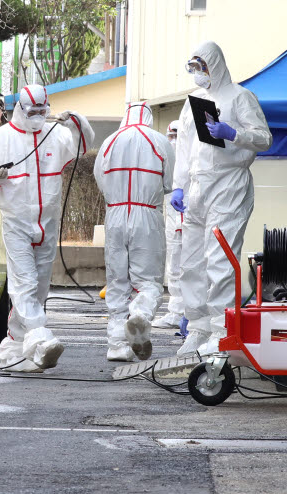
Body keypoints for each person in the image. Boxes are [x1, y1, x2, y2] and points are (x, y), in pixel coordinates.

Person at [0, 84, 94, 372]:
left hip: (48, 222)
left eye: (43, 111)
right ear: (20, 109)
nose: (38, 117)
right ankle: (40, 338)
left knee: (39, 288)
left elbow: (84, 145)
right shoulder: (5, 137)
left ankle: (16, 347)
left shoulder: (56, 135)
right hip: (17, 220)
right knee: (24, 283)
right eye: (33, 111)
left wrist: (77, 121)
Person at [172, 41, 272, 356]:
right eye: (193, 68)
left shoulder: (240, 97)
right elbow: (184, 148)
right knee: (190, 261)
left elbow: (265, 138)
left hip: (229, 184)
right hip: (198, 188)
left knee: (220, 260)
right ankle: (198, 327)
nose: (197, 74)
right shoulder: (193, 103)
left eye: (201, 67)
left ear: (214, 63)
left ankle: (221, 330)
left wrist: (235, 134)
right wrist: (178, 186)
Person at [94, 103, 174, 362]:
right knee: (148, 280)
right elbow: (169, 182)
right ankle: (139, 315)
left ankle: (117, 344)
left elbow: (100, 179)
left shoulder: (109, 142)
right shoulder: (160, 141)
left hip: (115, 214)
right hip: (147, 214)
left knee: (117, 281)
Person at [152, 121, 187, 334]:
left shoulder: (189, 158)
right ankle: (176, 311)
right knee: (173, 266)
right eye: (170, 135)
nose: (172, 140)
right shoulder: (164, 158)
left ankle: (186, 312)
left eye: (176, 135)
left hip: (187, 216)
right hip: (172, 217)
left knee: (187, 267)